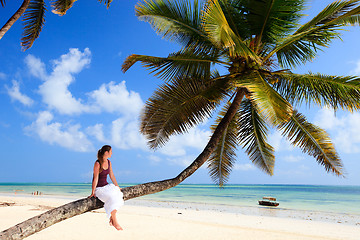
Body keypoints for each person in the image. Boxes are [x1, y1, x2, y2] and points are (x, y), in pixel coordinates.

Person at [88, 145, 124, 230]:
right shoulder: (97, 163)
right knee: (111, 197)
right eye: (111, 151)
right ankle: (115, 222)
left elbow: (111, 175)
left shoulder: (109, 162)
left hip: (107, 186)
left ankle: (112, 218)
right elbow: (95, 178)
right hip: (99, 189)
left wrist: (117, 186)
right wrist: (93, 191)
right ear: (106, 152)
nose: (112, 153)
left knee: (118, 194)